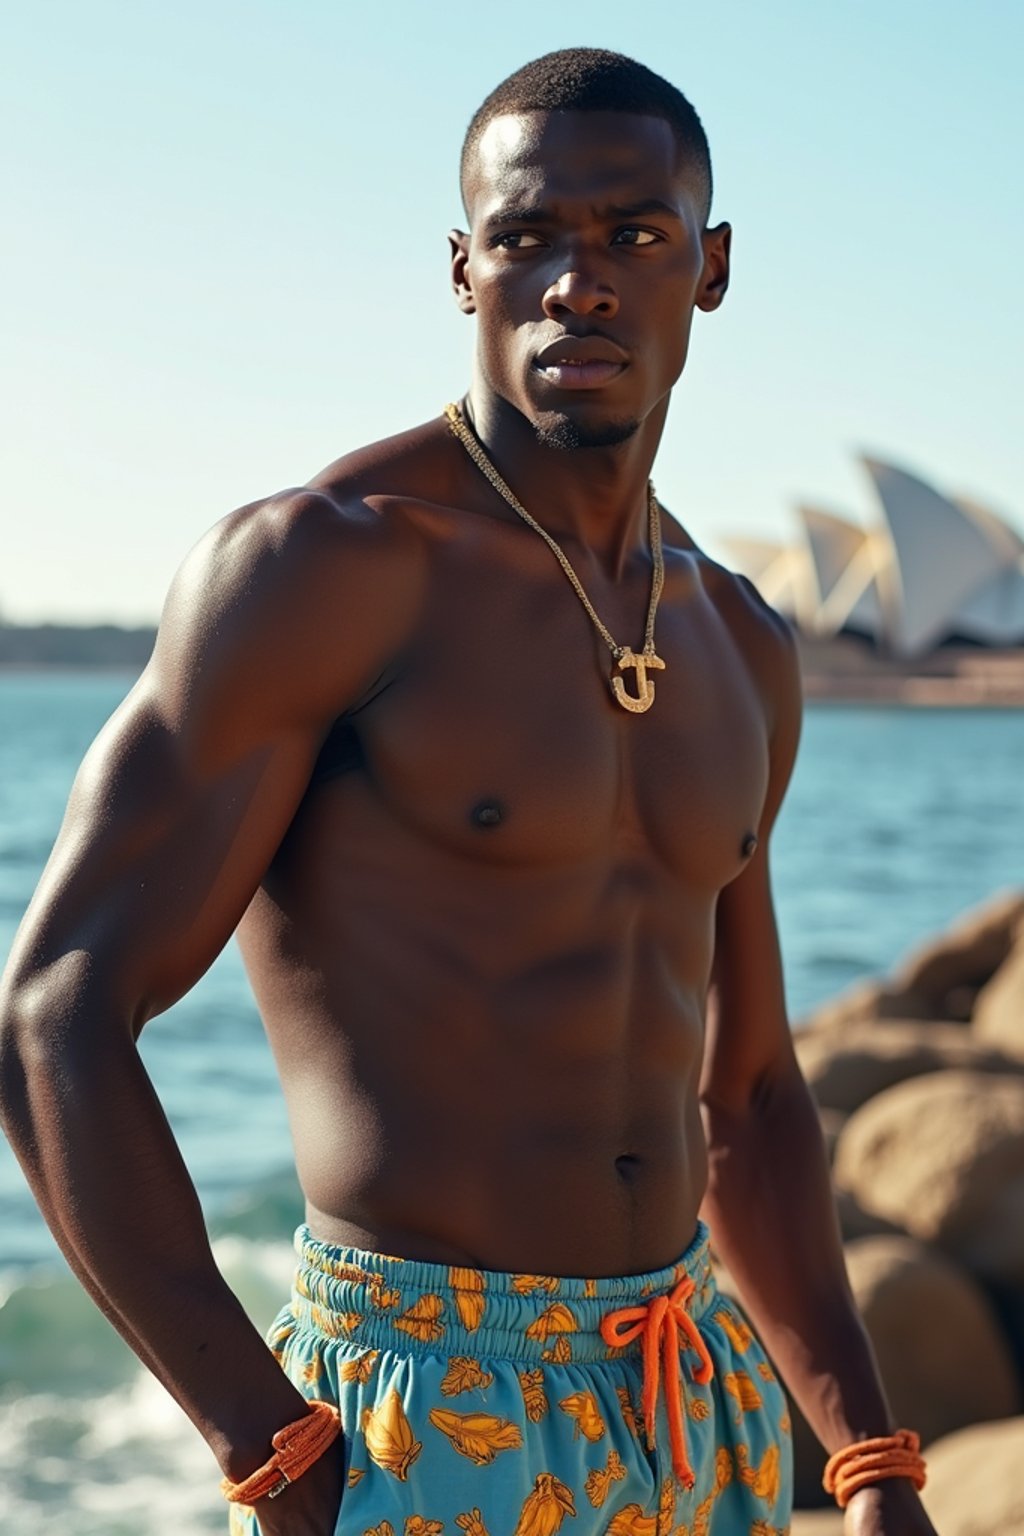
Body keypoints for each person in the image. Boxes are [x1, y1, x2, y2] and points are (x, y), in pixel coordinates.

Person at [0, 46, 937, 1536]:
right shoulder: (325, 570)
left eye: (635, 234)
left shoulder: (741, 641)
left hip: (698, 1399)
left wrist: (868, 1457)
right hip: (413, 1408)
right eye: (527, 238)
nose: (579, 282)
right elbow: (57, 1004)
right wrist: (268, 1445)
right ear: (463, 270)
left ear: (712, 267)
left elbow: (749, 1093)